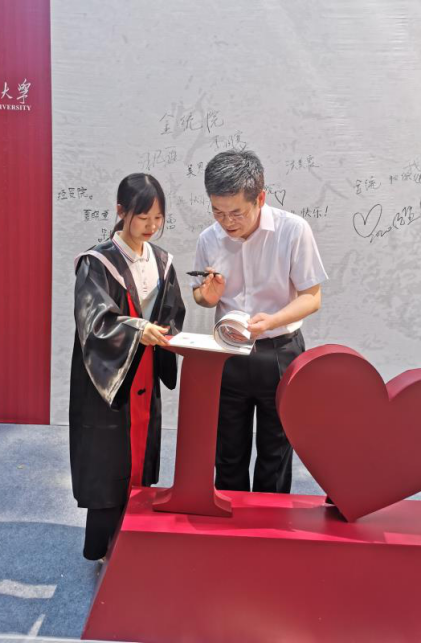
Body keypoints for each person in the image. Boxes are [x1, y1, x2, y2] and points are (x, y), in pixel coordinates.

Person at [192, 151, 328, 495]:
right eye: (218, 211)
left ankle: (271, 523)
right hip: (228, 354)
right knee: (227, 452)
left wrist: (273, 320)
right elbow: (201, 297)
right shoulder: (209, 238)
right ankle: (230, 518)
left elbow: (312, 297)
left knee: (275, 452)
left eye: (236, 212)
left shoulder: (293, 230)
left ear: (261, 198)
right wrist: (207, 296)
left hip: (280, 352)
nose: (227, 221)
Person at [70, 173, 186, 561]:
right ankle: (103, 546)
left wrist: (165, 330)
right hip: (110, 377)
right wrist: (137, 329)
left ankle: (135, 539)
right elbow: (94, 321)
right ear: (121, 211)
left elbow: (172, 314)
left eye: (158, 218)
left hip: (145, 371)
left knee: (141, 455)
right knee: (109, 458)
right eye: (143, 217)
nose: (151, 226)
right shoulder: (97, 262)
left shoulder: (162, 261)